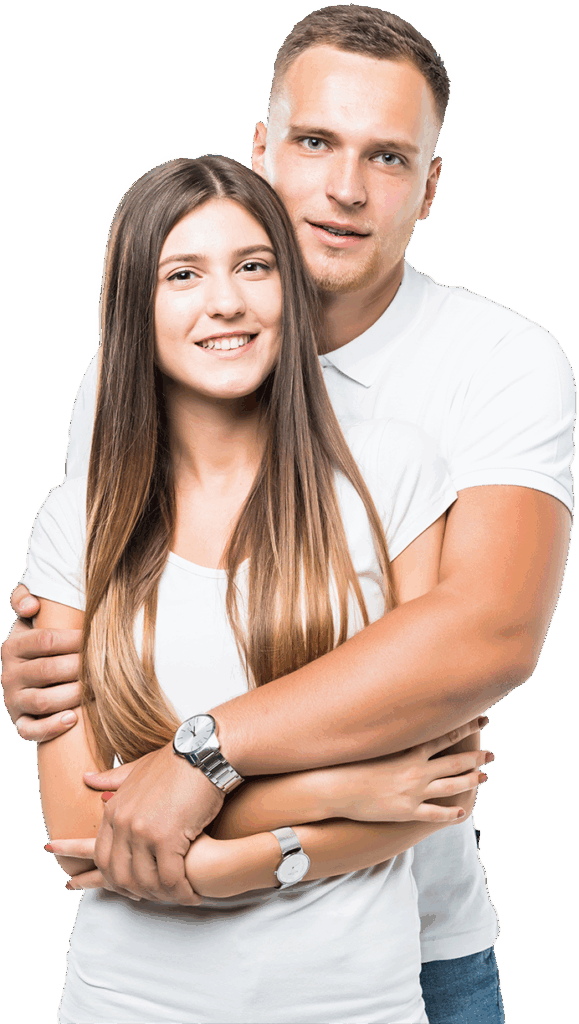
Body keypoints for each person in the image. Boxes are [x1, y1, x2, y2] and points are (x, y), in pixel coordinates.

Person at [2, 7, 574, 1023]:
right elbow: (92, 772)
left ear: (431, 186)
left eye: (388, 156)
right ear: (261, 148)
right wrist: (53, 671)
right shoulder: (131, 382)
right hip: (143, 975)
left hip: (406, 947)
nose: (346, 187)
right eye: (315, 141)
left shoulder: (491, 367)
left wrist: (200, 759)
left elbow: (480, 641)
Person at [23, 152, 490, 1024]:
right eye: (183, 274)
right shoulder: (78, 522)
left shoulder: (391, 474)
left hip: (354, 1005)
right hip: (128, 1004)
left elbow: (439, 782)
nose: (226, 302)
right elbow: (84, 835)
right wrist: (337, 792)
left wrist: (201, 830)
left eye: (253, 266)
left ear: (289, 290)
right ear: (133, 307)